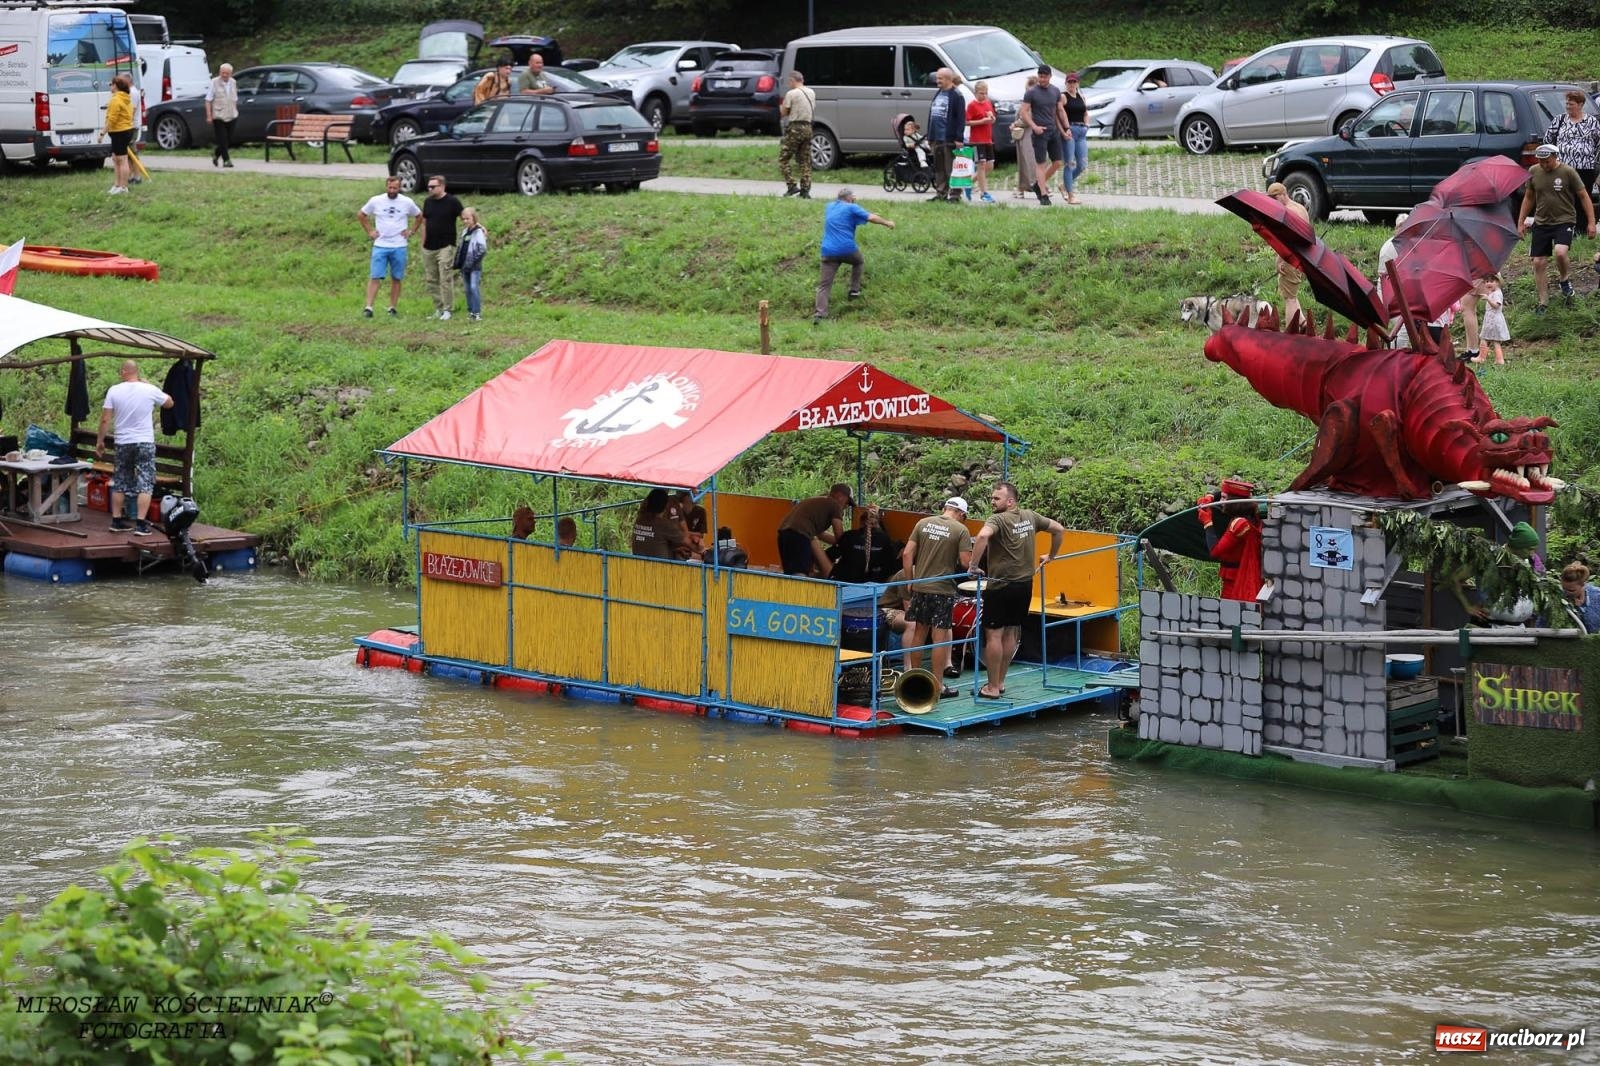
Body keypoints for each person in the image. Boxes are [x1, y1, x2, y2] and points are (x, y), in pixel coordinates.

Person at [966, 483, 1065, 698]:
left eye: (997, 498)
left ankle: (992, 687)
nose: (992, 502)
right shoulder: (1030, 516)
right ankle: (1000, 682)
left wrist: (973, 566)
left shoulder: (997, 520)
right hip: (1024, 585)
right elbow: (1058, 529)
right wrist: (1051, 556)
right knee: (1011, 631)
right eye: (992, 498)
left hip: (1000, 586)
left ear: (1010, 501)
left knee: (994, 635)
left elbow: (982, 536)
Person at [902, 497, 974, 696]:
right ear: (962, 514)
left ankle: (915, 681)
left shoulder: (923, 523)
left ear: (945, 508)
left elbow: (907, 554)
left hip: (921, 587)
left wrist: (910, 581)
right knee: (939, 639)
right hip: (942, 590)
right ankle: (937, 686)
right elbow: (965, 563)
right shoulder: (961, 530)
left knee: (919, 633)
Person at [95, 360, 173, 535]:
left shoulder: (114, 390)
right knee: (145, 482)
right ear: (137, 372)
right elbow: (169, 403)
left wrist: (100, 441)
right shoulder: (149, 389)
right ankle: (140, 524)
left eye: (120, 371)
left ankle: (116, 521)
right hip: (144, 442)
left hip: (123, 443)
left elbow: (105, 419)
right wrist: (150, 385)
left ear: (124, 371)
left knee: (120, 481)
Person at [1518, 144, 1597, 312]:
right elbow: (1529, 197)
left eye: (1547, 161)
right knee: (1538, 262)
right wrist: (1520, 221)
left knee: (1560, 252)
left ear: (1555, 157)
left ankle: (1564, 279)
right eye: (1541, 161)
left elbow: (1584, 196)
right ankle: (1543, 302)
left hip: (1564, 220)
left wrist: (1591, 222)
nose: (1543, 165)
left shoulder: (1568, 172)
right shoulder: (1533, 171)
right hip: (1542, 222)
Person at [813, 188, 894, 323]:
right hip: (846, 249)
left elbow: (848, 218)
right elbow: (871, 218)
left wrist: (865, 212)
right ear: (849, 198)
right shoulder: (852, 207)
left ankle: (819, 315)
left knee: (824, 285)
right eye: (853, 197)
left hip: (827, 251)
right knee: (859, 262)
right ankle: (854, 290)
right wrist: (888, 223)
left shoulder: (829, 206)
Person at [1451, 521, 1545, 624]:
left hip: (1519, 627)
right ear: (1517, 545)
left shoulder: (1528, 562)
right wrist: (1468, 607)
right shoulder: (1488, 557)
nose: (1532, 553)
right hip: (1491, 625)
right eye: (1529, 549)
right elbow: (1455, 579)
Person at [358, 176, 423, 318]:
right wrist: (370, 231)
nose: (392, 190)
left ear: (399, 188)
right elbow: (362, 214)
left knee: (396, 277)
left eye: (395, 188)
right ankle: (369, 307)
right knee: (375, 276)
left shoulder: (407, 202)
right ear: (386, 186)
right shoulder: (376, 200)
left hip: (399, 245)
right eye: (390, 187)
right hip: (380, 244)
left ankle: (392, 307)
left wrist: (411, 231)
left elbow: (419, 216)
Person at [1200, 477, 1264, 602]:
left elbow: (1215, 551)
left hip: (1237, 578)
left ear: (1234, 501)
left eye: (1224, 498)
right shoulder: (1254, 512)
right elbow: (1226, 495)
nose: (1221, 501)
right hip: (1233, 575)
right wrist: (1211, 497)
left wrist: (1207, 522)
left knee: (1231, 610)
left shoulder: (1239, 524)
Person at [1543, 90, 1600, 219]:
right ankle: (1563, 224)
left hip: (1585, 167)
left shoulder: (1592, 122)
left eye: (1571, 104)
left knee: (1583, 197)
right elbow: (1548, 140)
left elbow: (1598, 143)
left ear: (1580, 105)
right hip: (1563, 167)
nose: (1568, 106)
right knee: (1562, 197)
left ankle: (1582, 225)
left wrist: (1587, 154)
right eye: (1567, 104)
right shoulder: (1560, 120)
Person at [776, 482, 852, 576]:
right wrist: (849, 547)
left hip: (784, 534)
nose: (846, 506)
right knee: (800, 574)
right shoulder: (835, 504)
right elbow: (840, 536)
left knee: (790, 573)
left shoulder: (816, 502)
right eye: (848, 502)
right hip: (800, 536)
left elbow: (820, 535)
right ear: (840, 496)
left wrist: (838, 543)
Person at [1021, 65, 1069, 206]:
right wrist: (1034, 126)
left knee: (1058, 162)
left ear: (1050, 77)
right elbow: (1024, 112)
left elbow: (1060, 110)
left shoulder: (1055, 91)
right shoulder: (1031, 92)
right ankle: (1043, 195)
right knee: (1041, 164)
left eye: (1045, 77)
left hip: (1053, 131)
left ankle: (1038, 184)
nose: (1042, 79)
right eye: (1040, 76)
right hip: (1039, 132)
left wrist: (1066, 128)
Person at [1267, 181, 1311, 327]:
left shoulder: (1288, 212)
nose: (1273, 202)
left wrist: (1279, 260)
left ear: (1283, 194)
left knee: (1289, 299)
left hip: (1291, 259)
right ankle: (1302, 323)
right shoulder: (1300, 208)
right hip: (1302, 257)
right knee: (1291, 294)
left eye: (1275, 198)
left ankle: (1290, 332)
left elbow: (1289, 241)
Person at [420, 175, 463, 320]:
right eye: (429, 187)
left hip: (446, 245)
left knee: (445, 277)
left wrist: (477, 227)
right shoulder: (428, 202)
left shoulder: (452, 201)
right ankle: (438, 308)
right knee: (431, 279)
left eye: (433, 186)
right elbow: (424, 222)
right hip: (429, 246)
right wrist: (423, 243)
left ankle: (447, 309)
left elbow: (465, 217)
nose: (430, 189)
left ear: (442, 186)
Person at [829, 505, 900, 584]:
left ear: (861, 522)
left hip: (846, 583)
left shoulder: (849, 536)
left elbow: (831, 555)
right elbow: (891, 565)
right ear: (877, 523)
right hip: (874, 585)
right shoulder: (885, 539)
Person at [927, 67, 966, 204]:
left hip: (949, 137)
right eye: (937, 78)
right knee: (939, 168)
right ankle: (941, 192)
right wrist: (930, 135)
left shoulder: (956, 95)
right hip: (936, 136)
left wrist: (959, 138)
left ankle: (955, 195)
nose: (937, 81)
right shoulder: (939, 92)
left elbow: (961, 118)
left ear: (949, 79)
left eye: (940, 78)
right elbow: (933, 114)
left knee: (952, 168)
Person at [778, 71, 816, 199]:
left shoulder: (791, 93)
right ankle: (805, 190)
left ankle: (791, 186)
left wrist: (782, 106)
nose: (789, 84)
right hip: (808, 127)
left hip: (795, 128)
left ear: (792, 80)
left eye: (789, 82)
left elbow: (784, 113)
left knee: (783, 159)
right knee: (805, 160)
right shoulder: (811, 92)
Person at [631, 488, 698, 560]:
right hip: (659, 564)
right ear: (665, 507)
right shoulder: (664, 525)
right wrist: (703, 551)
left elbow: (654, 543)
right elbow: (689, 543)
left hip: (639, 561)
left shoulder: (640, 519)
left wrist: (676, 549)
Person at [98, 73, 135, 195]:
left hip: (120, 131)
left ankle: (123, 187)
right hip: (123, 131)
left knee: (122, 159)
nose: (110, 86)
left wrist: (102, 133)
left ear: (116, 86)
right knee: (115, 158)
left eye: (111, 84)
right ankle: (117, 185)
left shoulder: (116, 99)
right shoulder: (126, 98)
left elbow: (112, 119)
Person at [965, 80, 997, 203]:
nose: (983, 96)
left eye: (985, 93)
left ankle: (969, 182)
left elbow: (993, 119)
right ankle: (984, 193)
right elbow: (967, 122)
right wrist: (981, 121)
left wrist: (991, 119)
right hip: (977, 140)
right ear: (976, 93)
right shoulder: (972, 105)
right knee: (981, 165)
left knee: (989, 166)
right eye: (981, 93)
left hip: (987, 139)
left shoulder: (988, 103)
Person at [454, 206, 487, 321]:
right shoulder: (465, 232)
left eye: (467, 218)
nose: (465, 221)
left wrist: (474, 260)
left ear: (474, 218)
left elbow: (482, 249)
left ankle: (477, 312)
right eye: (463, 219)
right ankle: (471, 311)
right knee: (467, 289)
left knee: (474, 287)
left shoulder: (478, 232)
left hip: (474, 266)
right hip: (464, 265)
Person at [1060, 71, 1087, 205]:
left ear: (1078, 83)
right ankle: (1071, 195)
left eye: (1074, 82)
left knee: (1082, 164)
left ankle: (1065, 184)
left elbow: (1085, 113)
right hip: (1070, 130)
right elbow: (1059, 113)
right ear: (1066, 83)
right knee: (1069, 163)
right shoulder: (1063, 97)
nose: (1071, 84)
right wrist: (1065, 129)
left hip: (1081, 131)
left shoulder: (1081, 96)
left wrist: (1087, 125)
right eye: (1069, 82)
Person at [1010, 74, 1039, 200]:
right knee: (1023, 163)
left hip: (1030, 135)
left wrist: (1015, 124)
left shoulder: (1036, 102)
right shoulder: (1027, 101)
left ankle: (1039, 185)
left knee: (1031, 161)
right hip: (1022, 135)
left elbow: (1028, 117)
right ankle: (1022, 188)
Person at [205, 63, 238, 168]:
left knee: (228, 140)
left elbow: (234, 99)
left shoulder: (233, 82)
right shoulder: (214, 82)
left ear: (230, 74)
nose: (224, 75)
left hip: (232, 114)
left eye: (227, 73)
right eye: (222, 73)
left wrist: (235, 109)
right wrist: (209, 115)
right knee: (222, 139)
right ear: (220, 72)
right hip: (218, 115)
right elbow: (208, 100)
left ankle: (216, 153)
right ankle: (226, 160)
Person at [1559, 562, 1600, 633]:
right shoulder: (1558, 597)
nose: (1566, 593)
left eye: (1571, 590)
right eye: (1564, 588)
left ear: (1583, 584)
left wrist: (1581, 610)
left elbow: (1592, 627)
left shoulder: (1597, 596)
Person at [1476, 274, 1508, 364]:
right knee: (1494, 340)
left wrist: (1488, 299)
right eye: (1486, 281)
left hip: (1493, 320)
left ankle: (1482, 357)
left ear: (1497, 282)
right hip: (1491, 318)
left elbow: (1496, 306)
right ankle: (1499, 359)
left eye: (1491, 281)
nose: (1488, 283)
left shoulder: (1497, 293)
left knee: (1484, 337)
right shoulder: (1493, 292)